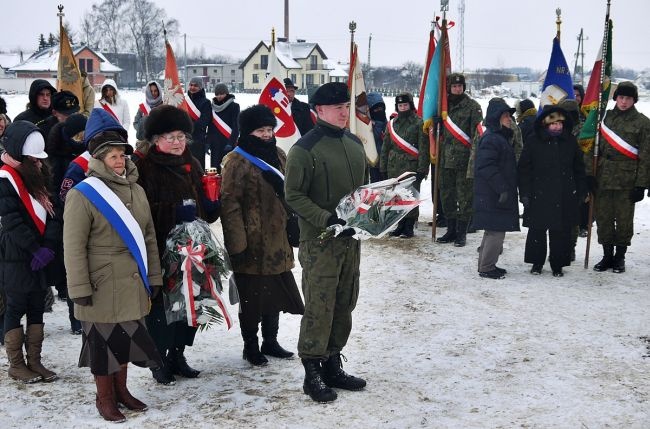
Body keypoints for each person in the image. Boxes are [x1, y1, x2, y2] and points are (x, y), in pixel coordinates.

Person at [63, 125, 163, 423]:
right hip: (100, 283)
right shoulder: (83, 194)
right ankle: (104, 399)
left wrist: (154, 277)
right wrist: (78, 287)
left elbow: (148, 238)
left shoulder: (137, 189)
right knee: (102, 346)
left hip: (132, 280)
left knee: (124, 341)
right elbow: (73, 246)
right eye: (112, 156)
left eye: (122, 155)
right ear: (98, 159)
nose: (119, 161)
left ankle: (122, 392)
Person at [285, 82, 368, 403]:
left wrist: (369, 214)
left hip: (350, 239)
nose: (344, 113)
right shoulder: (304, 149)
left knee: (345, 300)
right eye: (337, 108)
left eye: (345, 107)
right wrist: (325, 218)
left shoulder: (353, 143)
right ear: (318, 111)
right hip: (320, 241)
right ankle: (312, 371)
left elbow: (363, 190)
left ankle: (333, 361)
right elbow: (293, 195)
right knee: (320, 304)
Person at [135, 104, 220, 385]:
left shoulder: (192, 163)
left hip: (192, 249)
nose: (176, 142)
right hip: (161, 249)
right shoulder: (143, 166)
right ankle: (158, 360)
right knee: (161, 309)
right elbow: (140, 210)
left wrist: (210, 205)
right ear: (155, 140)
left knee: (188, 304)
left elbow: (201, 210)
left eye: (181, 136)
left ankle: (178, 355)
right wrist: (172, 211)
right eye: (170, 137)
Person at [220, 104, 304, 366]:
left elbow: (290, 192)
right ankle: (251, 346)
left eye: (269, 129)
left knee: (275, 294)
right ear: (247, 132)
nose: (267, 134)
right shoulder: (235, 161)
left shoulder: (279, 154)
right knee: (252, 299)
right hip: (251, 244)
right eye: (260, 130)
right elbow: (229, 204)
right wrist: (237, 244)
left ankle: (271, 340)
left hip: (277, 241)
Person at [0, 121, 61, 383]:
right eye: (33, 158)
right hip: (17, 254)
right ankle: (17, 364)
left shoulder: (39, 172)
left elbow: (53, 212)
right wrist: (34, 248)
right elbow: (11, 219)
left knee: (38, 306)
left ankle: (35, 361)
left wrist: (48, 246)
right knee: (15, 307)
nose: (38, 162)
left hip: (41, 254)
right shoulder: (5, 178)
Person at [586, 81, 650, 273]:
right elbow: (590, 148)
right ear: (615, 98)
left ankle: (619, 257)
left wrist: (641, 185)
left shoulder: (643, 123)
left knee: (623, 220)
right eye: (621, 97)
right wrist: (589, 174)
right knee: (603, 218)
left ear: (634, 100)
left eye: (628, 98)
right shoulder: (603, 118)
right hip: (602, 177)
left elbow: (647, 157)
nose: (624, 102)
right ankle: (606, 256)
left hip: (627, 180)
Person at [518, 105, 586, 277]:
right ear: (545, 124)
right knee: (537, 231)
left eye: (559, 123)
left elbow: (579, 168)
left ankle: (558, 264)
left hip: (563, 194)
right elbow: (524, 169)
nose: (557, 127)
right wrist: (524, 193)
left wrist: (581, 190)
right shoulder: (533, 141)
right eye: (553, 123)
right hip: (538, 194)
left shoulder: (570, 141)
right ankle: (536, 263)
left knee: (560, 231)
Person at [45, 110, 87, 334]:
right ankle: (75, 319)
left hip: (87, 214)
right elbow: (55, 190)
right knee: (73, 269)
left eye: (83, 135)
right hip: (64, 217)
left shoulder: (89, 155)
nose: (80, 140)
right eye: (77, 136)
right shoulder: (56, 157)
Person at [473, 99, 520, 279]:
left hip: (492, 193)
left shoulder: (498, 137)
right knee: (496, 231)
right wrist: (502, 188)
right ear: (496, 118)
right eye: (506, 116)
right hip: (493, 193)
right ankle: (487, 268)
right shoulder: (493, 138)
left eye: (510, 116)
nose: (509, 119)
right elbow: (486, 166)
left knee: (492, 230)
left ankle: (485, 265)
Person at [435, 73, 483, 247]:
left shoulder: (472, 106)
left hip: (464, 160)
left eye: (460, 86)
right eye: (454, 86)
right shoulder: (443, 106)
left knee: (464, 198)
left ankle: (462, 233)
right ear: (449, 87)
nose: (457, 89)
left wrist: (473, 160)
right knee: (447, 195)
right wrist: (436, 123)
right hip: (446, 159)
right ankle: (451, 230)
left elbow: (476, 136)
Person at [379, 92, 428, 238]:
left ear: (411, 105)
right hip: (393, 166)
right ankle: (400, 224)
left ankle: (409, 227)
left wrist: (422, 169)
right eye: (400, 105)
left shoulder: (419, 123)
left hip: (411, 167)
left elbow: (423, 148)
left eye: (405, 105)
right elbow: (385, 147)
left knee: (410, 197)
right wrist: (383, 167)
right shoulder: (392, 124)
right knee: (396, 197)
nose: (403, 108)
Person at [210, 83, 239, 171]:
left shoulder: (234, 106)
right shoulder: (212, 107)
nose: (219, 96)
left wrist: (231, 142)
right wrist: (208, 141)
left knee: (228, 169)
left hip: (227, 142)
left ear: (226, 93)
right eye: (217, 94)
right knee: (215, 169)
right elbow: (211, 126)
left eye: (221, 94)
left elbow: (236, 126)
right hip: (215, 144)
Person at [185, 77, 212, 169]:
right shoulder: (184, 101)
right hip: (183, 139)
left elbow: (204, 121)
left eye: (195, 85)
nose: (192, 87)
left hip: (198, 140)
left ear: (200, 87)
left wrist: (187, 126)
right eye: (191, 85)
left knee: (197, 168)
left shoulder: (206, 102)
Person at [367, 92, 387, 183]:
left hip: (386, 162)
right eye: (376, 109)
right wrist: (378, 124)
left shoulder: (386, 121)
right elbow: (372, 138)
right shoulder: (366, 124)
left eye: (381, 108)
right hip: (373, 162)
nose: (379, 111)